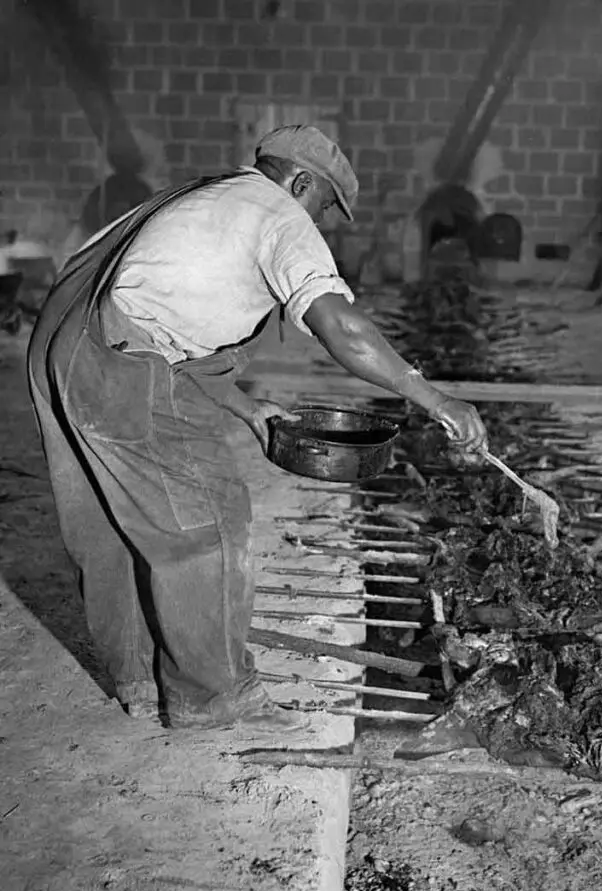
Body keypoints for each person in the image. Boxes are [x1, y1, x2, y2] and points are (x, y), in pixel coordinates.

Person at [27, 124, 488, 732]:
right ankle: (213, 697)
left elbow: (160, 314)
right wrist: (435, 398)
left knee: (114, 529)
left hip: (68, 348)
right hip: (120, 367)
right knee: (210, 524)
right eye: (324, 208)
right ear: (301, 183)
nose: (319, 225)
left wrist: (246, 407)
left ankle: (140, 684)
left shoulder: (213, 197)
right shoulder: (279, 215)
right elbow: (340, 327)